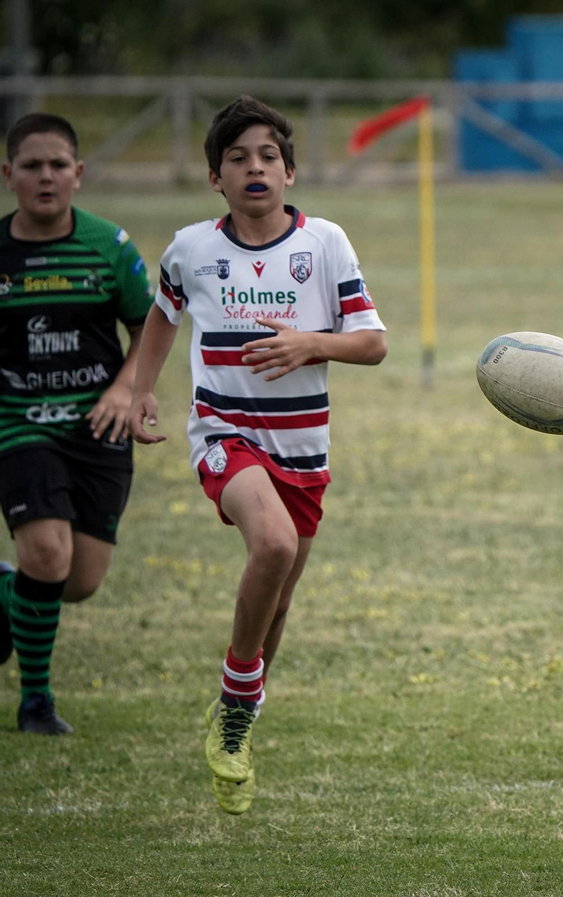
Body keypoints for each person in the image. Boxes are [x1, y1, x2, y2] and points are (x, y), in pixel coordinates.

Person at [128, 96, 387, 813]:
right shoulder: (191, 249)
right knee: (270, 546)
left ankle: (235, 722)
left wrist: (311, 342)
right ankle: (237, 703)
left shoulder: (324, 244)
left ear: (290, 171)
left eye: (268, 156)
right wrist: (141, 388)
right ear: (216, 177)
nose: (254, 167)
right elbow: (162, 311)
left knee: (278, 598)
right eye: (238, 157)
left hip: (303, 449)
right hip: (224, 433)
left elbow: (372, 342)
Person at [0, 112, 155, 734]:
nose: (46, 176)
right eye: (32, 165)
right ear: (8, 174)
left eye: (58, 165)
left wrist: (126, 389)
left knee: (76, 581)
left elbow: (150, 326)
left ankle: (7, 590)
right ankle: (36, 701)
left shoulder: (108, 247)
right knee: (46, 550)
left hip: (99, 428)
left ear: (79, 174)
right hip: (16, 426)